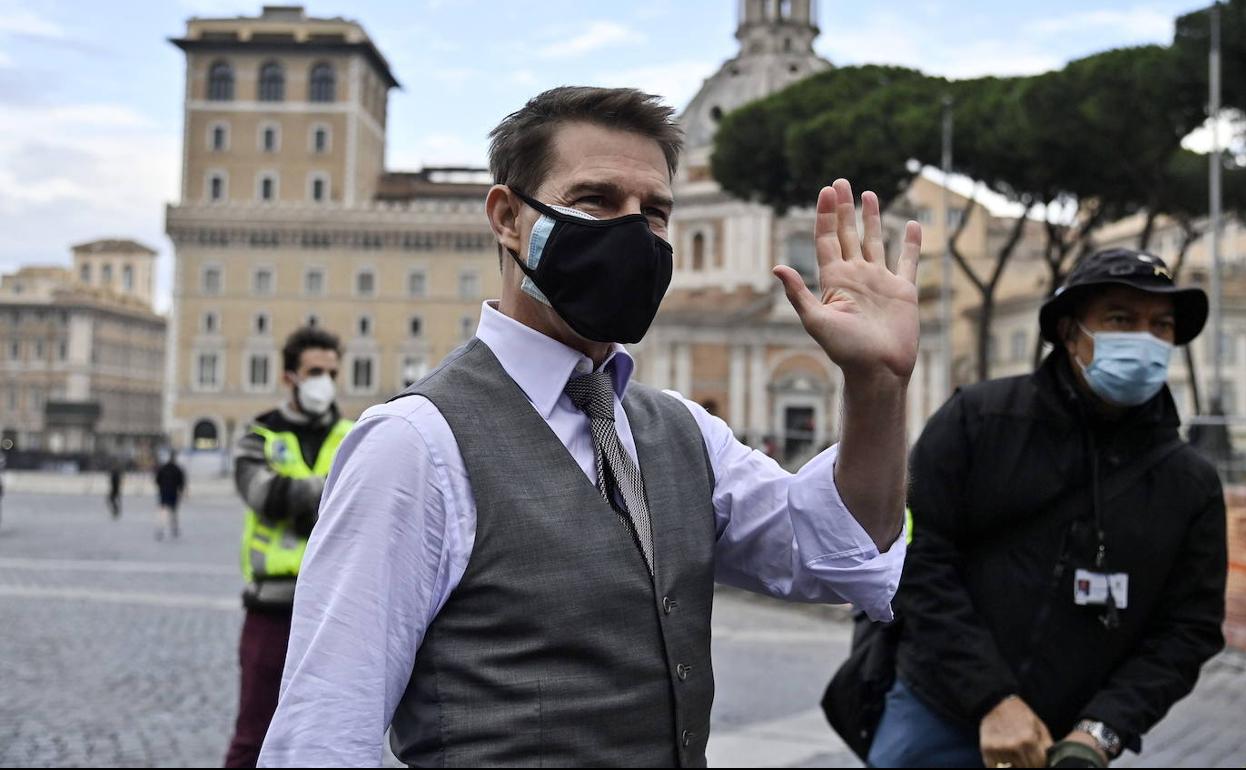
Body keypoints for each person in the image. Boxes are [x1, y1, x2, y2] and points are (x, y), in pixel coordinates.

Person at [259, 86, 923, 767]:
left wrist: (877, 388)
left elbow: (842, 555)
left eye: (655, 212)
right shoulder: (414, 446)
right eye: (595, 201)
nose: (632, 232)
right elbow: (322, 734)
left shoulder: (685, 435)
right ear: (508, 218)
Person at [869, 248, 1227, 768]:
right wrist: (992, 698)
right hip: (937, 713)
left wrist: (1102, 729)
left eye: (1162, 325)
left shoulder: (1190, 483)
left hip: (1069, 746)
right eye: (1122, 319)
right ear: (1068, 329)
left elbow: (1188, 628)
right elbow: (915, 559)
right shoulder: (978, 421)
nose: (1146, 340)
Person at [224, 326, 354, 768]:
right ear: (289, 377)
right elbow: (265, 496)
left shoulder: (356, 433)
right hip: (271, 608)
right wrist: (334, 493)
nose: (325, 381)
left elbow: (365, 506)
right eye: (314, 371)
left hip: (334, 615)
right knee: (253, 737)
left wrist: (300, 495)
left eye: (331, 372)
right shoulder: (257, 435)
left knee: (331, 740)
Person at [153, 451, 186, 540]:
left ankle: (161, 529)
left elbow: (157, 480)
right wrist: (181, 491)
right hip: (173, 494)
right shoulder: (177, 469)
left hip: (164, 493)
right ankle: (174, 529)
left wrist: (161, 488)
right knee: (173, 512)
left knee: (163, 512)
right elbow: (182, 482)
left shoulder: (163, 468)